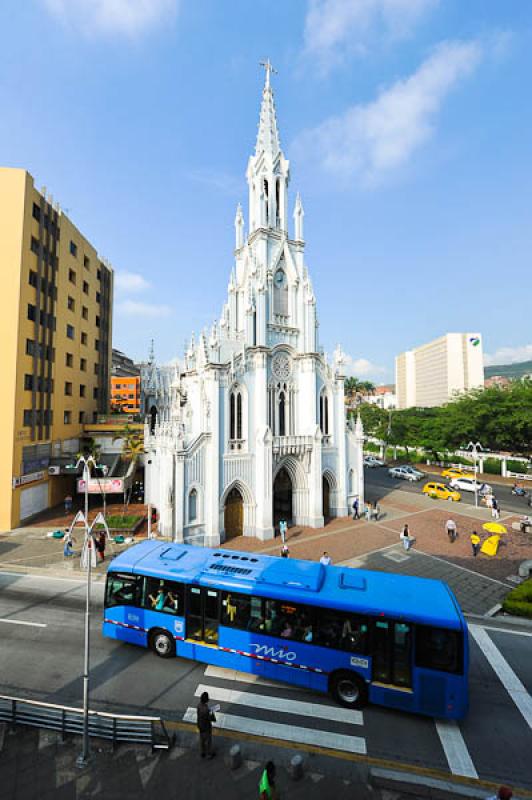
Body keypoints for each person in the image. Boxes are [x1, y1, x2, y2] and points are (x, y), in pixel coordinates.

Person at [196, 691, 216, 759]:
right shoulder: (206, 709)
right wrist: (212, 713)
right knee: (208, 741)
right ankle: (209, 754)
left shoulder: (199, 705)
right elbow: (210, 718)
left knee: (202, 740)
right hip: (206, 727)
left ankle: (203, 752)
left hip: (200, 725)